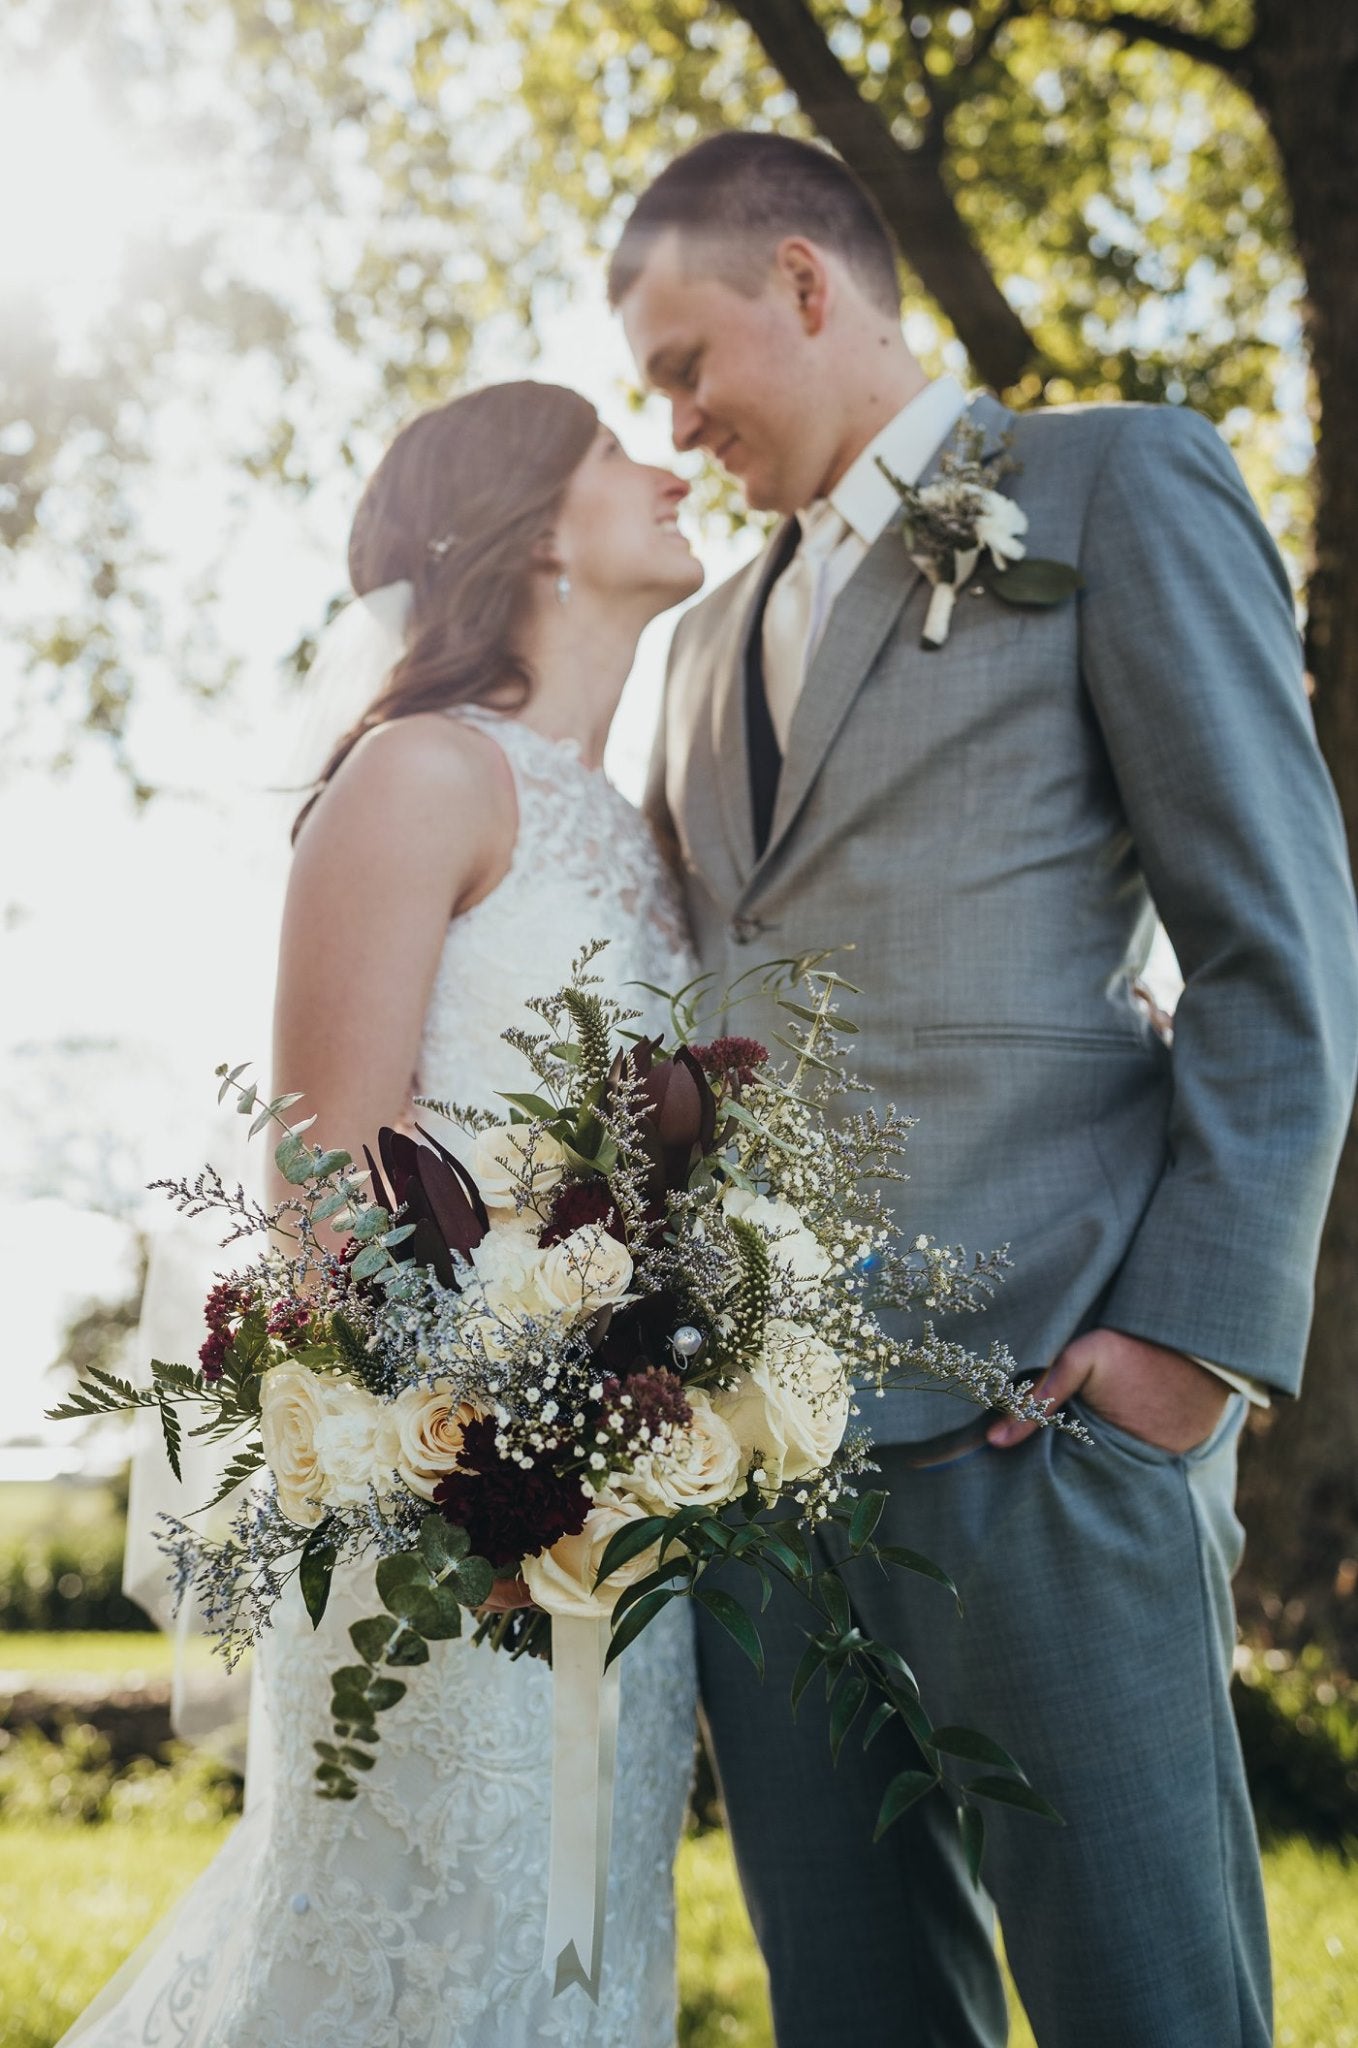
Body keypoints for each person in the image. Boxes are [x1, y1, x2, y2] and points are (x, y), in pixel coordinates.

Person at [614, 131, 1358, 2048]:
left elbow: (1275, 946)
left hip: (1050, 1423)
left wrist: (1185, 1342)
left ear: (803, 280)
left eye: (688, 364)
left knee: (1151, 2009)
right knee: (854, 2019)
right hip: (768, 1481)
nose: (677, 423)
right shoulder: (693, 648)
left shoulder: (1107, 483)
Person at [58, 380, 704, 2048]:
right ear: (542, 529)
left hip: (623, 1513)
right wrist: (481, 1457)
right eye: (621, 450)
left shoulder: (637, 835)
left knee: (584, 1954)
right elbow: (322, 1189)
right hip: (446, 1506)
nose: (672, 464)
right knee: (423, 1954)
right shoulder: (422, 774)